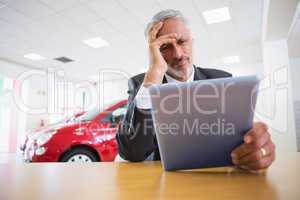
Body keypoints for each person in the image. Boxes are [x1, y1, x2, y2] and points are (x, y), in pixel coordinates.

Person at [116, 9, 275, 171]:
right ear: (154, 52)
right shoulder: (141, 84)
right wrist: (153, 76)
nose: (178, 54)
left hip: (214, 177)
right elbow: (132, 152)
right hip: (162, 180)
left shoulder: (222, 79)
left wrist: (254, 148)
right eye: (165, 47)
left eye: (182, 41)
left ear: (192, 40)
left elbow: (239, 139)